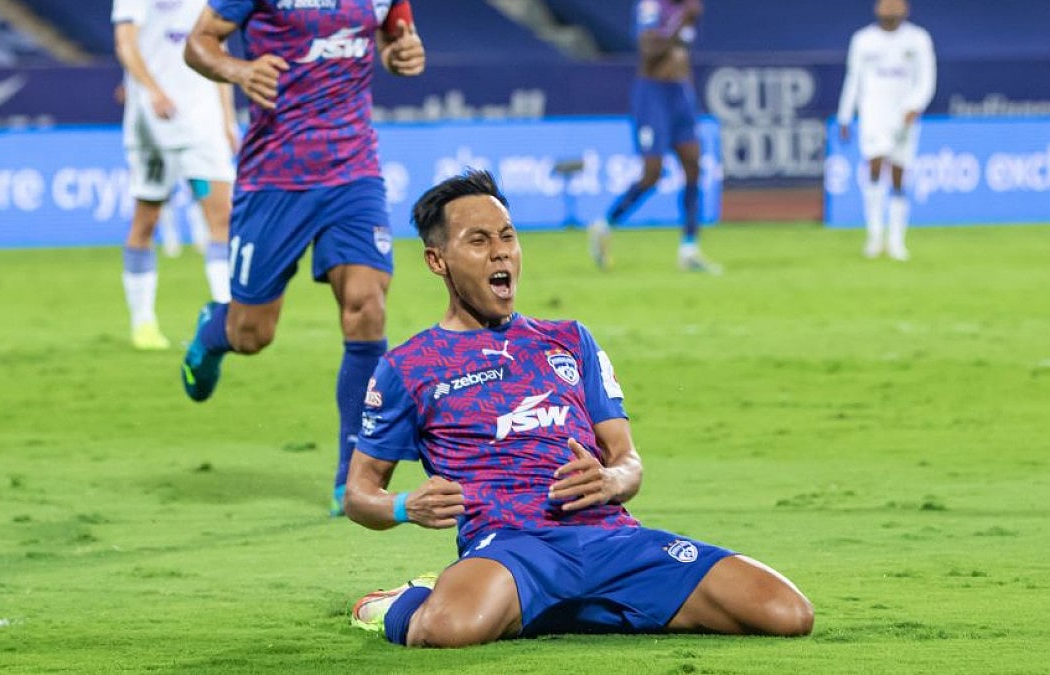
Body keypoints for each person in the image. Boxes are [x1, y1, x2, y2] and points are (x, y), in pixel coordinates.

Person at [345, 170, 813, 647]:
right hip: (510, 549)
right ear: (437, 260)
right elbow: (359, 493)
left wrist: (611, 480)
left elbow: (627, 461)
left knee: (787, 612)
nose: (501, 251)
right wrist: (404, 505)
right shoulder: (409, 366)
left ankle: (557, 606)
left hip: (609, 539)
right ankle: (404, 601)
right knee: (447, 630)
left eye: (508, 236)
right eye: (479, 240)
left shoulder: (569, 340)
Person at [179, 0, 425, 515]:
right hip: (275, 177)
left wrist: (402, 52)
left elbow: (394, 36)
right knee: (253, 334)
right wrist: (238, 70)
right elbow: (199, 41)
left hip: (353, 170)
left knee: (367, 306)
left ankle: (350, 480)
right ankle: (214, 330)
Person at [112, 0, 238, 350]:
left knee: (223, 217)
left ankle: (225, 319)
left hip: (203, 120)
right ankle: (143, 323)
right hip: (154, 122)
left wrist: (227, 120)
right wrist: (152, 90)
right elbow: (125, 43)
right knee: (146, 221)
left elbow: (218, 50)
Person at [588, 0, 720, 274]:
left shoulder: (688, 9)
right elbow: (650, 52)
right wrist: (682, 20)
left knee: (693, 167)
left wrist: (690, 97)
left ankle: (689, 247)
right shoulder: (653, 7)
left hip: (680, 95)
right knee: (652, 173)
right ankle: (604, 224)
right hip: (653, 96)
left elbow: (681, 54)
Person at [837, 0, 936, 261]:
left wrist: (916, 105)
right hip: (873, 112)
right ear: (877, 10)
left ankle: (896, 241)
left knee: (899, 174)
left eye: (895, 9)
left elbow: (927, 78)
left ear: (905, 10)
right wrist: (845, 115)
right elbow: (853, 78)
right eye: (886, 9)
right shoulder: (863, 40)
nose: (890, 14)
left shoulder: (918, 39)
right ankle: (874, 236)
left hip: (903, 113)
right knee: (874, 166)